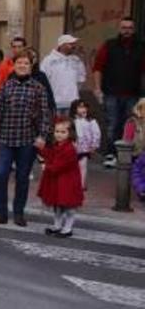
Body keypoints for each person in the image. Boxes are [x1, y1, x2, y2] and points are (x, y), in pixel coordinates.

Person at [0, 49, 51, 227]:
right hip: (6, 138)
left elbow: (45, 114)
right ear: (13, 66)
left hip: (27, 141)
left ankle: (18, 213)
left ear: (31, 67)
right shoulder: (7, 86)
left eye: (26, 63)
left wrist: (42, 136)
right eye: (19, 63)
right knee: (0, 174)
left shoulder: (38, 88)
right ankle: (0, 213)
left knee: (22, 177)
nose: (22, 66)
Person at [93, 17, 145, 168]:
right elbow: (98, 68)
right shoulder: (109, 45)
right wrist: (97, 88)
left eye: (129, 28)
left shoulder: (141, 47)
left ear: (133, 30)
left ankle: (126, 155)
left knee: (130, 125)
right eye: (124, 28)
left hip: (133, 94)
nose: (126, 31)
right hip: (111, 93)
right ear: (119, 29)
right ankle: (110, 154)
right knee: (112, 125)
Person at [36, 117, 83, 238]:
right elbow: (50, 155)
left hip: (67, 181)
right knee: (57, 205)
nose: (59, 135)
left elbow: (58, 165)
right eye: (57, 132)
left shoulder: (69, 149)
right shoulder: (56, 145)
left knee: (69, 206)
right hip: (57, 180)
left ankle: (68, 228)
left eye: (63, 132)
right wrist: (42, 150)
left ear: (70, 133)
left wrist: (45, 166)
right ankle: (57, 225)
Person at [41, 34, 86, 116]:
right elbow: (43, 80)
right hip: (55, 102)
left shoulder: (76, 60)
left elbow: (81, 78)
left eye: (74, 44)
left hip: (73, 102)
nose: (73, 46)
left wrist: (74, 92)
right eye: (70, 44)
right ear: (62, 45)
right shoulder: (49, 60)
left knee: (71, 126)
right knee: (56, 126)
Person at [70, 99, 101, 190]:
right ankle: (73, 182)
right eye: (80, 107)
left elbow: (96, 133)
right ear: (74, 109)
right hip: (73, 148)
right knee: (73, 167)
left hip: (84, 149)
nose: (83, 109)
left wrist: (94, 145)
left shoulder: (91, 121)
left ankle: (81, 185)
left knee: (83, 167)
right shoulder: (72, 121)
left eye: (84, 107)